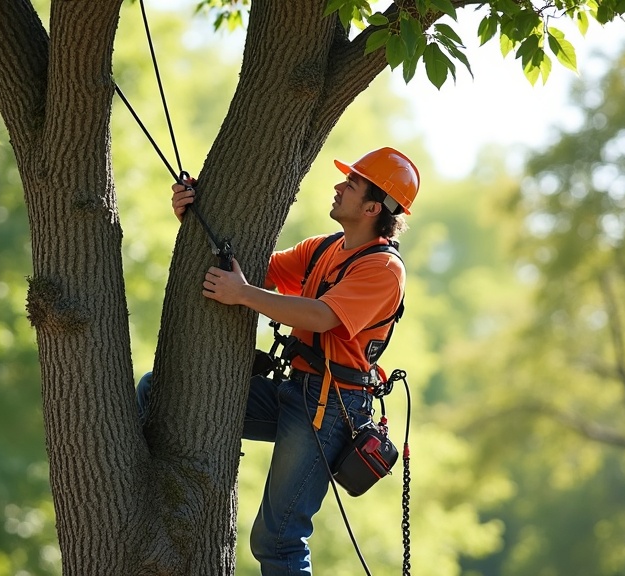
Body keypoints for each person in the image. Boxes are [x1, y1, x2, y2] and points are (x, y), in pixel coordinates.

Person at [139, 147, 420, 575]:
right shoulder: (325, 248)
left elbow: (322, 317)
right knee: (158, 388)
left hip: (328, 410)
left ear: (372, 207)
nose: (338, 187)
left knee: (279, 541)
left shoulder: (383, 269)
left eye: (351, 183)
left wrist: (243, 295)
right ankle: (136, 490)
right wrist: (194, 218)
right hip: (292, 392)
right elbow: (253, 270)